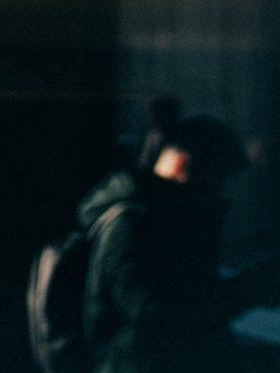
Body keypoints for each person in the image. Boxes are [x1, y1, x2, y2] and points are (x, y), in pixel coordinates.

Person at [79, 114, 254, 372]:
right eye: (215, 182)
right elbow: (159, 314)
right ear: (183, 166)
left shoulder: (171, 219)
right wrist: (251, 289)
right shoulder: (132, 225)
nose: (219, 196)